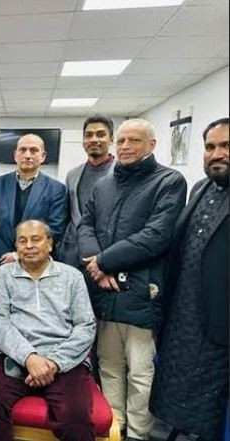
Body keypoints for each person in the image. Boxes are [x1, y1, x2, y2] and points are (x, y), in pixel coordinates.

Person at [77, 118, 187, 441]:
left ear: (152, 145)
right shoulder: (103, 185)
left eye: (134, 140)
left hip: (141, 292)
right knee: (108, 365)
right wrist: (96, 265)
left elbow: (156, 236)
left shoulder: (169, 181)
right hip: (104, 292)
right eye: (122, 140)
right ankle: (115, 428)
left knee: (140, 371)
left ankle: (138, 433)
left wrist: (103, 262)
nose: (125, 146)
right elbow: (86, 225)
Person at [0, 220, 96, 441]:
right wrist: (29, 357)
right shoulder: (3, 275)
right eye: (22, 241)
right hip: (15, 359)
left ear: (50, 244)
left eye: (36, 239)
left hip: (64, 362)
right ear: (16, 246)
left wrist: (54, 363)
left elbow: (86, 326)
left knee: (76, 416)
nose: (29, 246)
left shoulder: (72, 277)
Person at [150, 117, 229, 441]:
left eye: (226, 146)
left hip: (219, 325)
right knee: (173, 395)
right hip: (182, 315)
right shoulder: (200, 188)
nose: (217, 153)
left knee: (208, 408)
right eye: (210, 147)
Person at [0, 134, 67, 271]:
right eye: (22, 150)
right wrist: (5, 254)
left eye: (34, 150)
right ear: (15, 155)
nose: (27, 155)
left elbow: (55, 229)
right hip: (1, 261)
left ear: (43, 156)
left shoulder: (57, 189)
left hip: (37, 263)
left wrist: (18, 255)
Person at [58, 114, 116, 267]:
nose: (94, 139)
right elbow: (69, 215)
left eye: (100, 134)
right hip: (71, 253)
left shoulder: (121, 173)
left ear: (111, 139)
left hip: (104, 252)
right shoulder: (72, 175)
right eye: (88, 135)